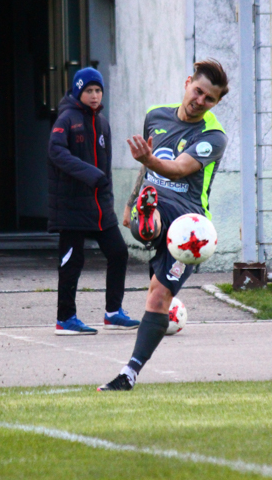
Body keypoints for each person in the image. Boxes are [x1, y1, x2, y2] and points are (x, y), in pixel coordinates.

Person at [98, 59, 229, 391]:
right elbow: (147, 167)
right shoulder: (155, 115)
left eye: (209, 99)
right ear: (187, 83)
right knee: (152, 204)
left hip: (190, 226)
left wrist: (148, 160)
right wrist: (130, 201)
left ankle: (128, 375)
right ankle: (148, 219)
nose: (200, 101)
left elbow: (179, 169)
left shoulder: (213, 135)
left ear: (215, 103)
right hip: (155, 200)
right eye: (198, 91)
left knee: (157, 298)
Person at [47, 67, 139, 335]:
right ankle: (65, 319)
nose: (95, 95)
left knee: (118, 253)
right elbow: (56, 152)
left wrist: (107, 196)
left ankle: (113, 313)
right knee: (72, 261)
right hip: (72, 206)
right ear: (79, 91)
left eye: (98, 90)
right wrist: (91, 175)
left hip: (99, 207)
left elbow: (105, 169)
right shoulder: (66, 118)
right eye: (89, 90)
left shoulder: (103, 123)